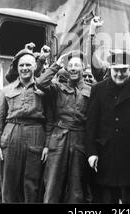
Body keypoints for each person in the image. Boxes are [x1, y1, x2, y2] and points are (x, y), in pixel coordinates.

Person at [85, 49, 130, 203]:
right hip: (107, 154)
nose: (119, 74)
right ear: (110, 69)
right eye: (116, 70)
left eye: (123, 70)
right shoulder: (98, 89)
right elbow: (91, 125)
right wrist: (91, 153)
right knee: (108, 199)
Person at [0, 49, 49, 203]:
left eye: (28, 65)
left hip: (36, 136)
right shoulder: (6, 90)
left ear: (35, 66)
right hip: (11, 136)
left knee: (32, 184)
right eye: (22, 65)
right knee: (9, 185)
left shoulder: (44, 89)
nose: (25, 68)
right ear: (17, 68)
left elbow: (50, 119)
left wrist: (47, 145)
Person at [36, 50, 92, 203]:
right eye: (70, 65)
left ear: (83, 68)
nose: (73, 68)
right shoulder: (57, 88)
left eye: (77, 65)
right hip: (59, 138)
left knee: (76, 185)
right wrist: (56, 65)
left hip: (80, 139)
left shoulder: (91, 90)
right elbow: (40, 83)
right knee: (53, 183)